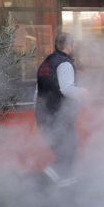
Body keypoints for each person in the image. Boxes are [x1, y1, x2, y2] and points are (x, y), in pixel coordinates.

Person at [35, 32, 84, 187]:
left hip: (45, 116)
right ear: (69, 45)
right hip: (58, 116)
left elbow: (37, 91)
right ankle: (42, 182)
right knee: (68, 153)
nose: (74, 47)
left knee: (65, 154)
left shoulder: (46, 63)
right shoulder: (65, 64)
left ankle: (63, 185)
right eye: (73, 44)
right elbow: (67, 89)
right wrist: (83, 92)